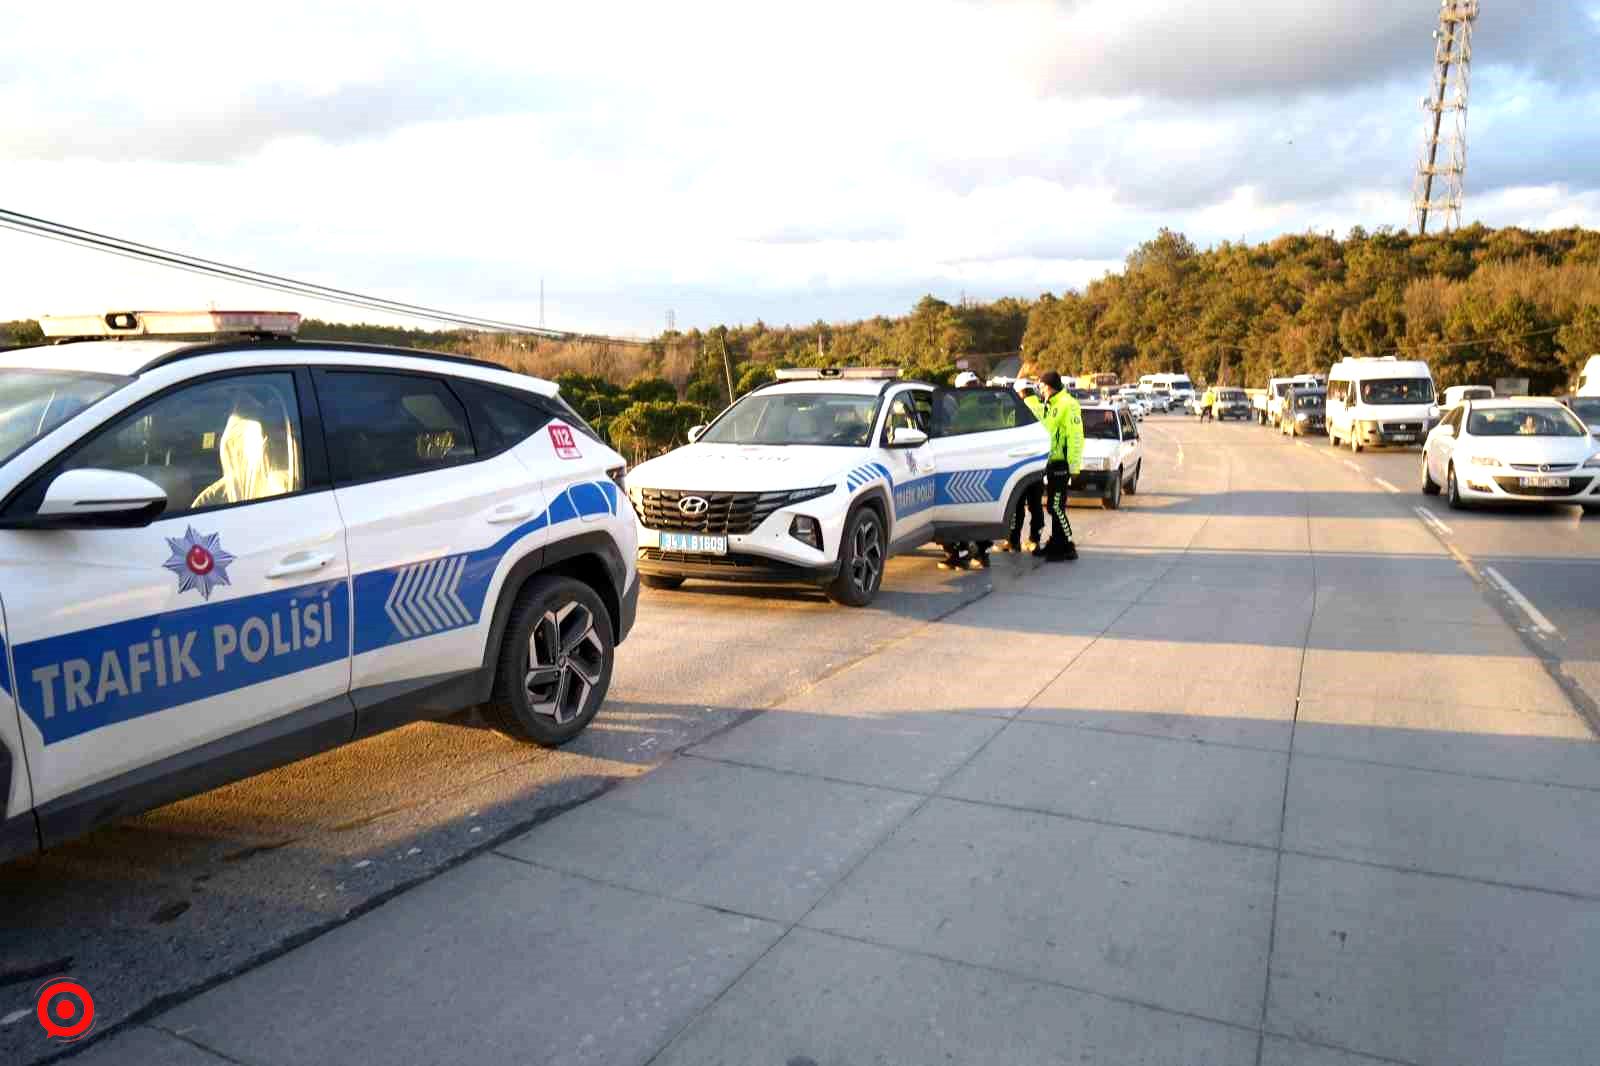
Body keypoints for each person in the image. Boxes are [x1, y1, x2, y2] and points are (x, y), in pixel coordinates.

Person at [939, 372, 994, 569]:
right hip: (991, 464)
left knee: (960, 512)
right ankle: (982, 554)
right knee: (983, 511)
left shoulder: (966, 408)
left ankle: (959, 555)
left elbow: (955, 435)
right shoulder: (994, 402)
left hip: (968, 465)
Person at [1036, 371, 1083, 562]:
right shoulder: (1050, 404)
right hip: (1051, 463)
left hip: (1062, 464)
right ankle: (1056, 543)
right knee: (1052, 506)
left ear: (1048, 386)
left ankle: (1068, 546)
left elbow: (1075, 436)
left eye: (1040, 386)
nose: (1039, 390)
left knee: (1056, 506)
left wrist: (1073, 466)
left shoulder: (1068, 404)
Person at [1007, 380, 1046, 552]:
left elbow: (1009, 436)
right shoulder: (1046, 409)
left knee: (1017, 504)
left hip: (1021, 463)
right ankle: (1034, 539)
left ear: (1019, 393)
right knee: (1036, 504)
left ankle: (1013, 540)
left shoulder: (1017, 410)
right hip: (1039, 463)